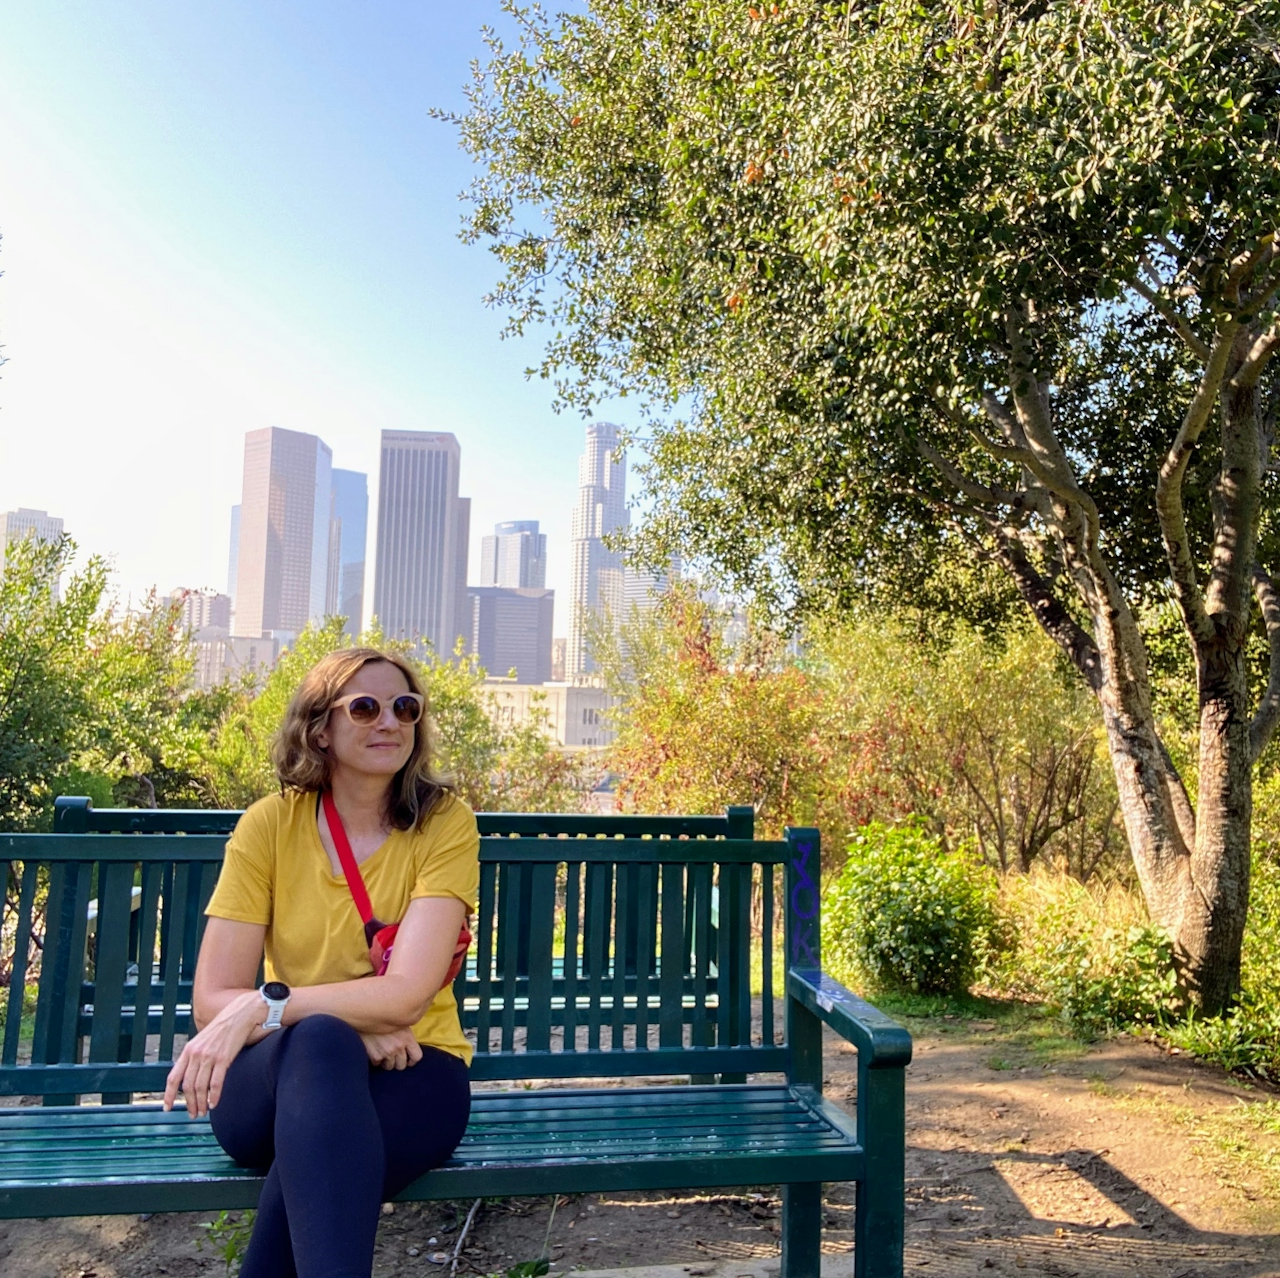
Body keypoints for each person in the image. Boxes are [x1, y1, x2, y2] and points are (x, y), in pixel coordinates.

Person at [164, 647, 479, 1278]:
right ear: (319, 728)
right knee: (325, 1041)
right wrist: (346, 1019)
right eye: (364, 707)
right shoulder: (268, 826)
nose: (389, 721)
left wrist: (268, 1001)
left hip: (416, 1072)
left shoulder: (443, 823)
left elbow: (407, 998)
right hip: (277, 1085)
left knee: (316, 1158)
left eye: (404, 708)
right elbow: (212, 999)